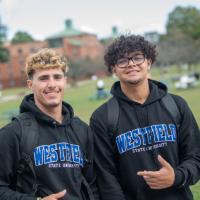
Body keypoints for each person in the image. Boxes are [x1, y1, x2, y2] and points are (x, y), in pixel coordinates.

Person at [90, 35, 200, 200]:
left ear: (149, 62)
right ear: (113, 69)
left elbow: (196, 157)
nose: (131, 64)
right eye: (122, 60)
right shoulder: (102, 117)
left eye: (137, 57)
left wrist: (176, 177)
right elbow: (106, 179)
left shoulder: (176, 105)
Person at [0, 48, 98, 200]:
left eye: (57, 77)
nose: (52, 84)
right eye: (44, 78)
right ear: (30, 84)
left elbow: (92, 184)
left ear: (64, 81)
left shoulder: (82, 130)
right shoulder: (14, 133)